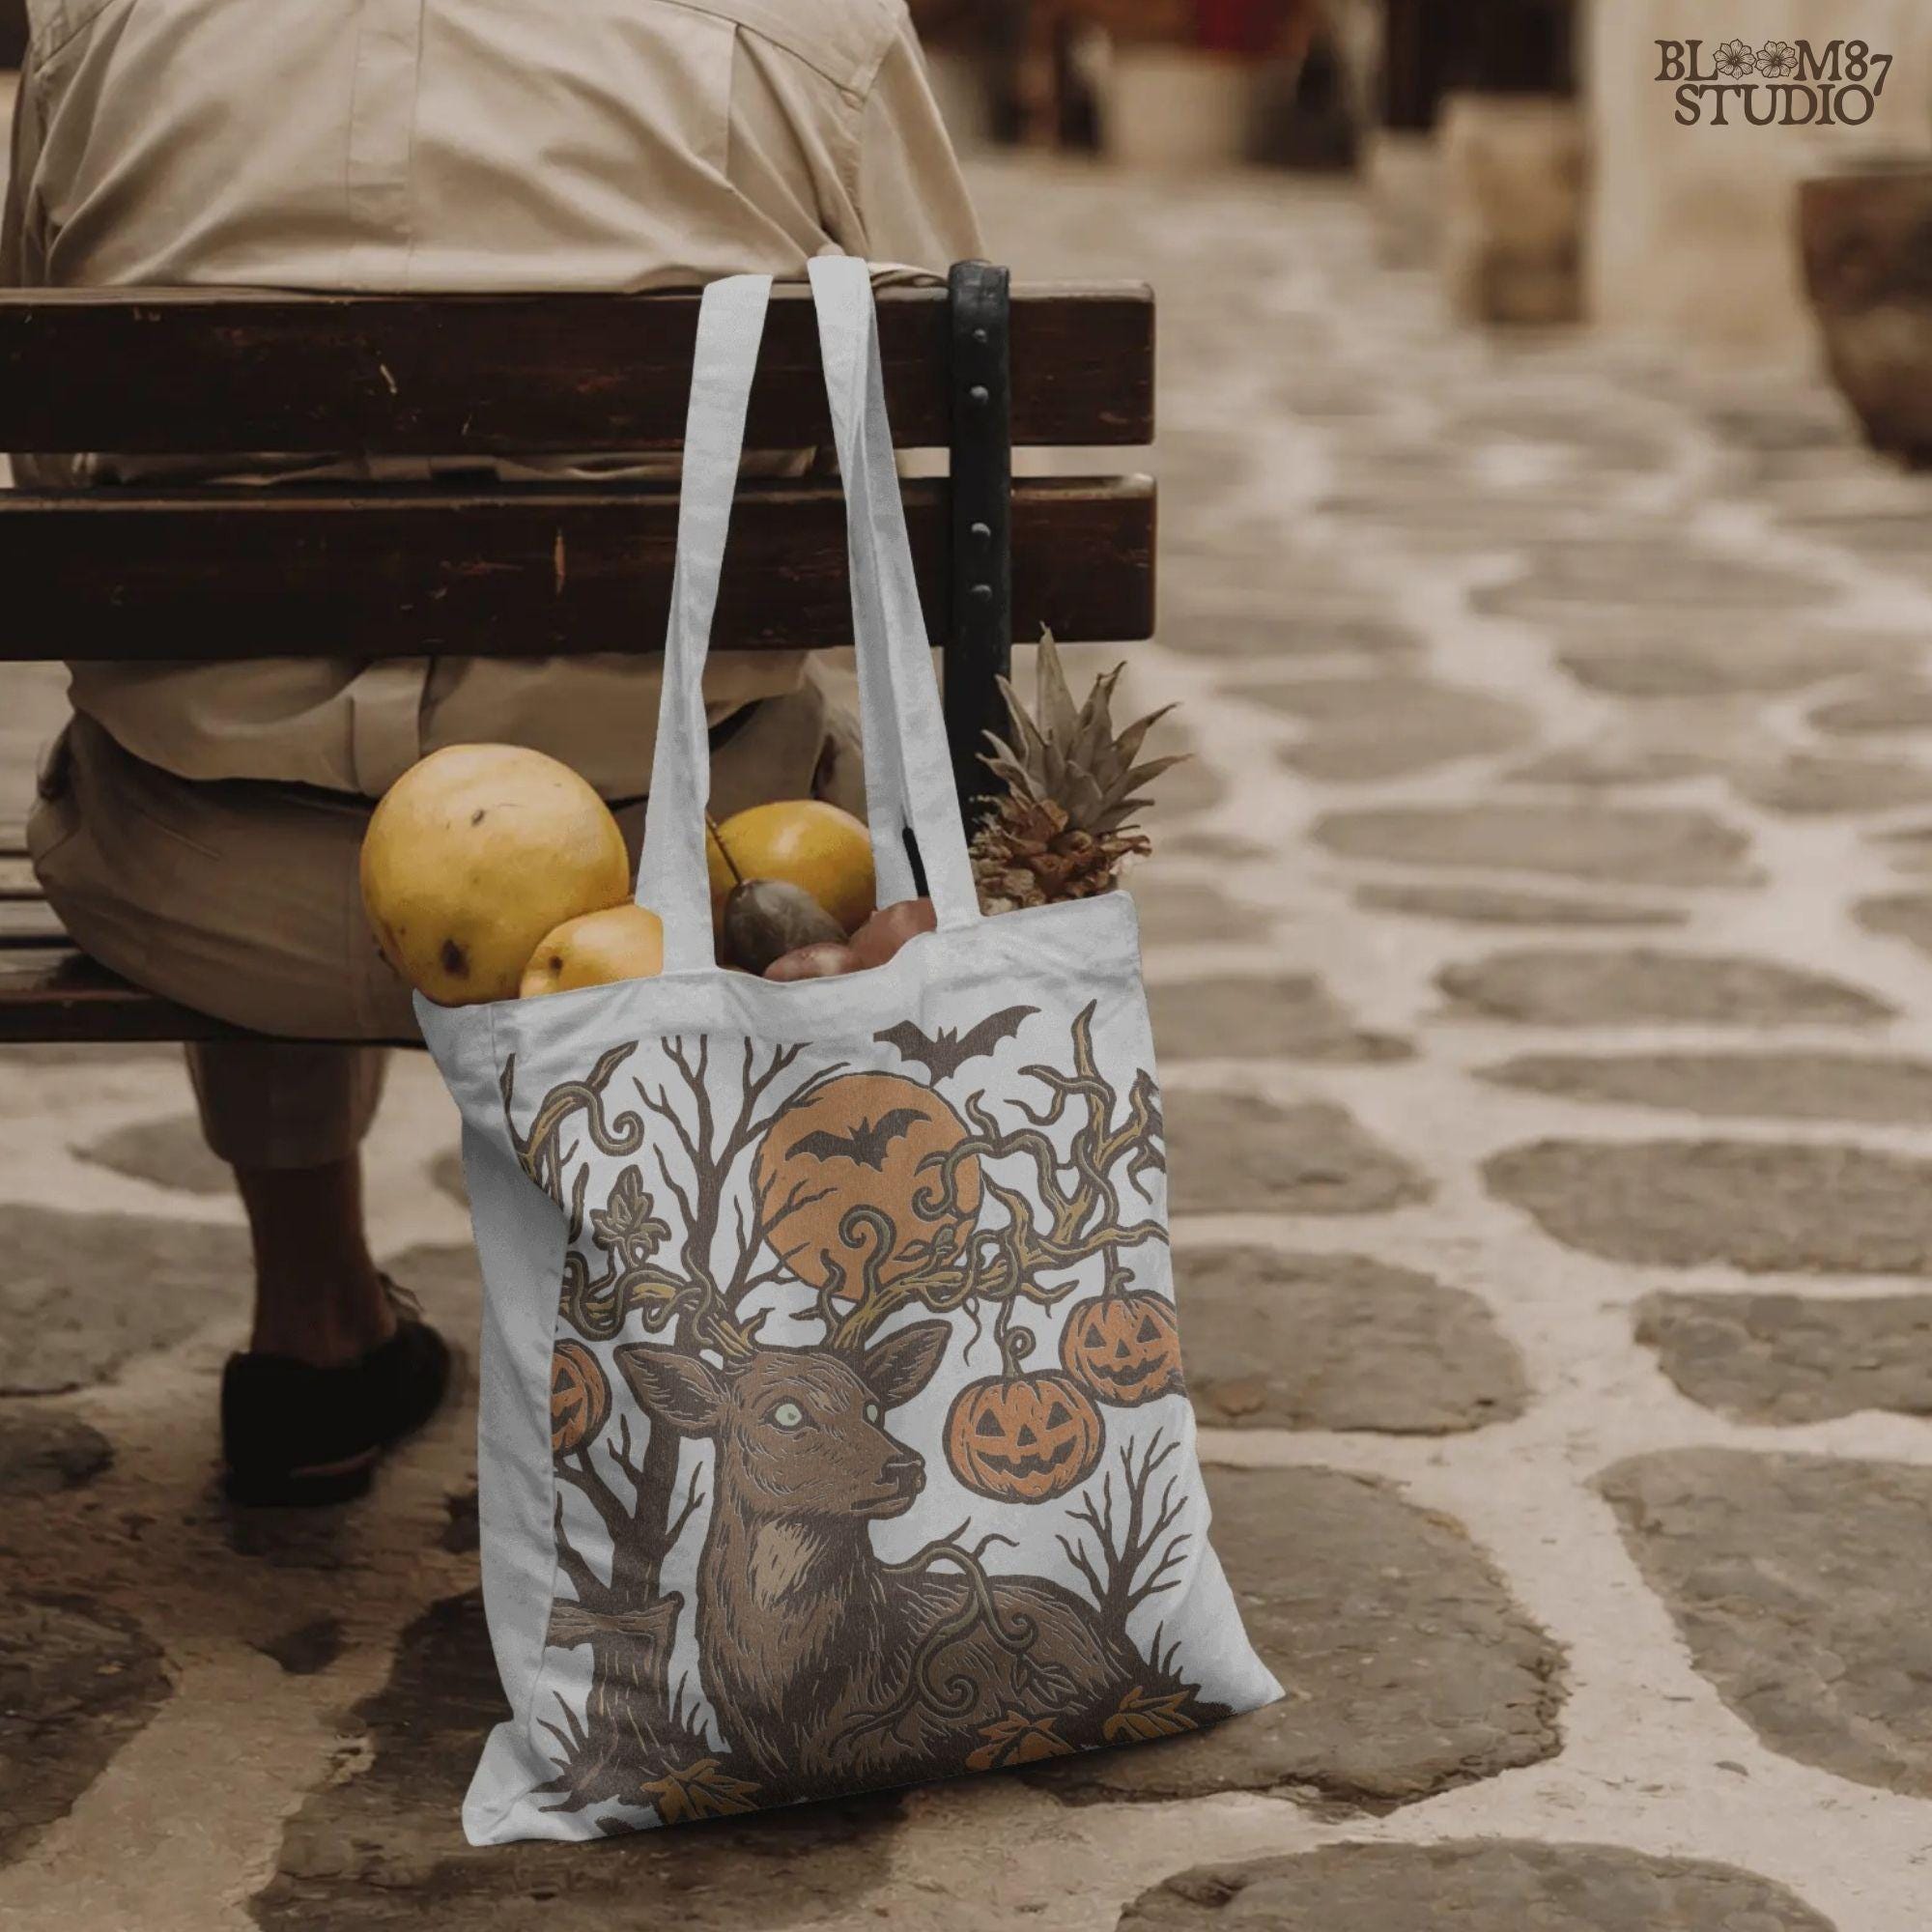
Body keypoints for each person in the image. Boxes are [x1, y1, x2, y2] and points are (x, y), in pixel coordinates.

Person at [2, 0, 983, 1505]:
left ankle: (315, 1319)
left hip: (197, 876)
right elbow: (928, 398)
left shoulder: (103, 21)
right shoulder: (803, 22)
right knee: (791, 795)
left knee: (216, 720)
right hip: (665, 867)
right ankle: (675, 1351)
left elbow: (56, 449)